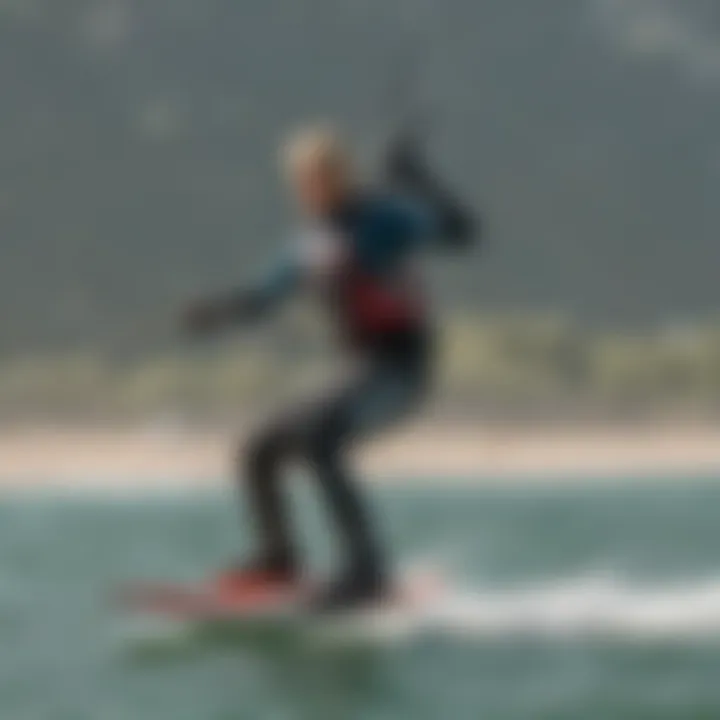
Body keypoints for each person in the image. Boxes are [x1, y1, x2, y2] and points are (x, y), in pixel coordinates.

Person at [183, 124, 478, 610]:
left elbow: (465, 232)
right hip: (357, 373)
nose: (306, 191)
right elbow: (263, 299)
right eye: (300, 182)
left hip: (401, 375)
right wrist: (215, 313)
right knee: (259, 449)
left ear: (341, 176)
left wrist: (419, 178)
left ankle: (367, 569)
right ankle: (280, 560)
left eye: (317, 179)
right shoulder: (312, 242)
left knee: (320, 439)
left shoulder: (385, 218)